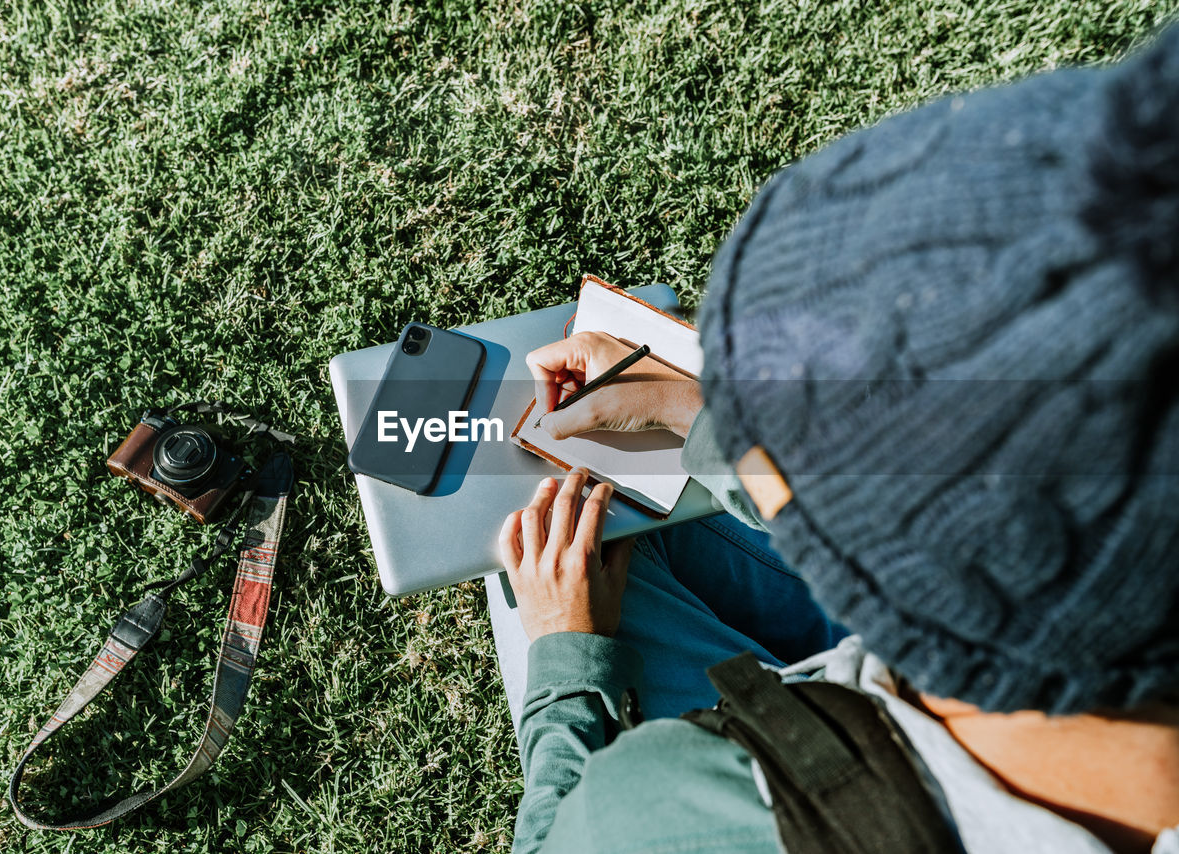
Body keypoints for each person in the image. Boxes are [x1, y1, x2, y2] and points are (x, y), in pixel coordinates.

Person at [488, 24, 1179, 854]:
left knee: (534, 554)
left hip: (814, 760)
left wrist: (566, 664)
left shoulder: (658, 811)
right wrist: (692, 405)